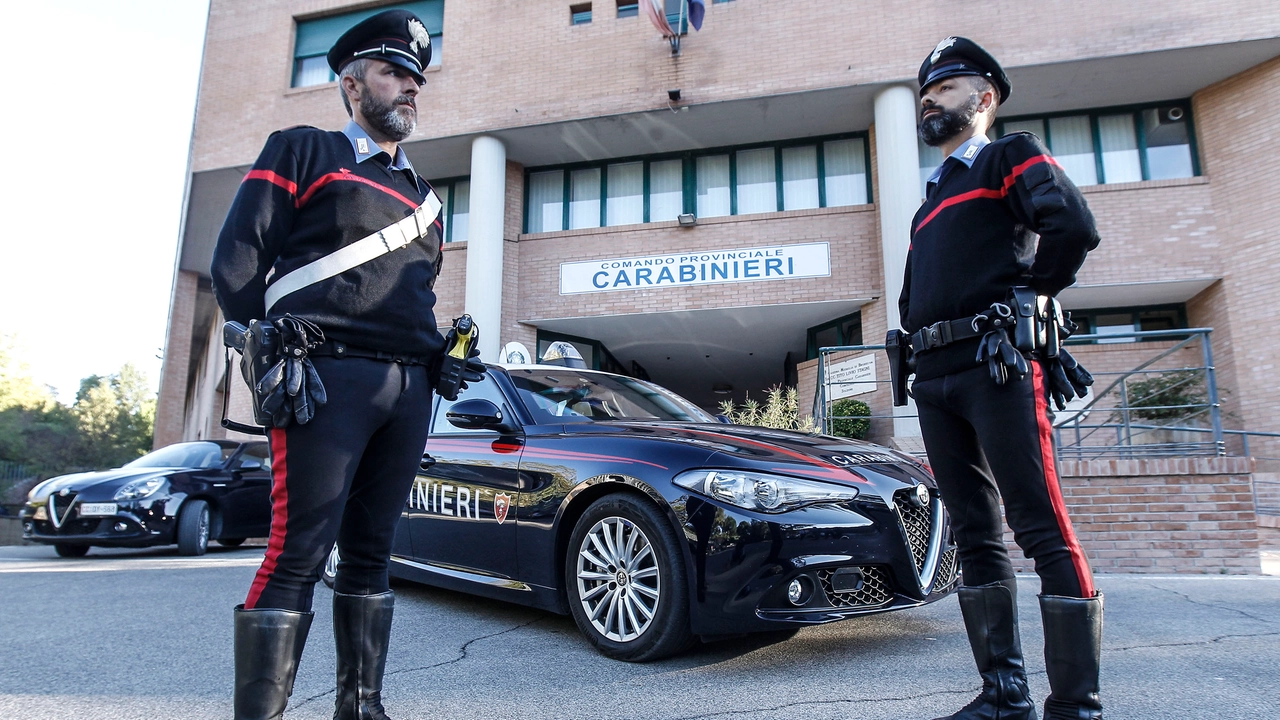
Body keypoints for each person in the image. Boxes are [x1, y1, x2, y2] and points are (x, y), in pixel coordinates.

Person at [211, 10, 480, 720]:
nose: (411, 89)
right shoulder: (302, 149)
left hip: (407, 390)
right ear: (352, 84)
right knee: (299, 551)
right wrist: (253, 340)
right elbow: (237, 259)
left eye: (417, 79)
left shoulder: (426, 201)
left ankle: (361, 709)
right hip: (324, 377)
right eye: (395, 73)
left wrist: (442, 357)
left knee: (372, 554)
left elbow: (413, 296)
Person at [899, 37, 1104, 720]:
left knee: (1039, 525)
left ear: (983, 98)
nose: (929, 99)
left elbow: (1071, 224)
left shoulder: (1007, 155)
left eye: (945, 88)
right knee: (973, 536)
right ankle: (1004, 697)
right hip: (936, 378)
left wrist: (1031, 298)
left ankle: (1076, 708)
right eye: (925, 92)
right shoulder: (927, 201)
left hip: (998, 365)